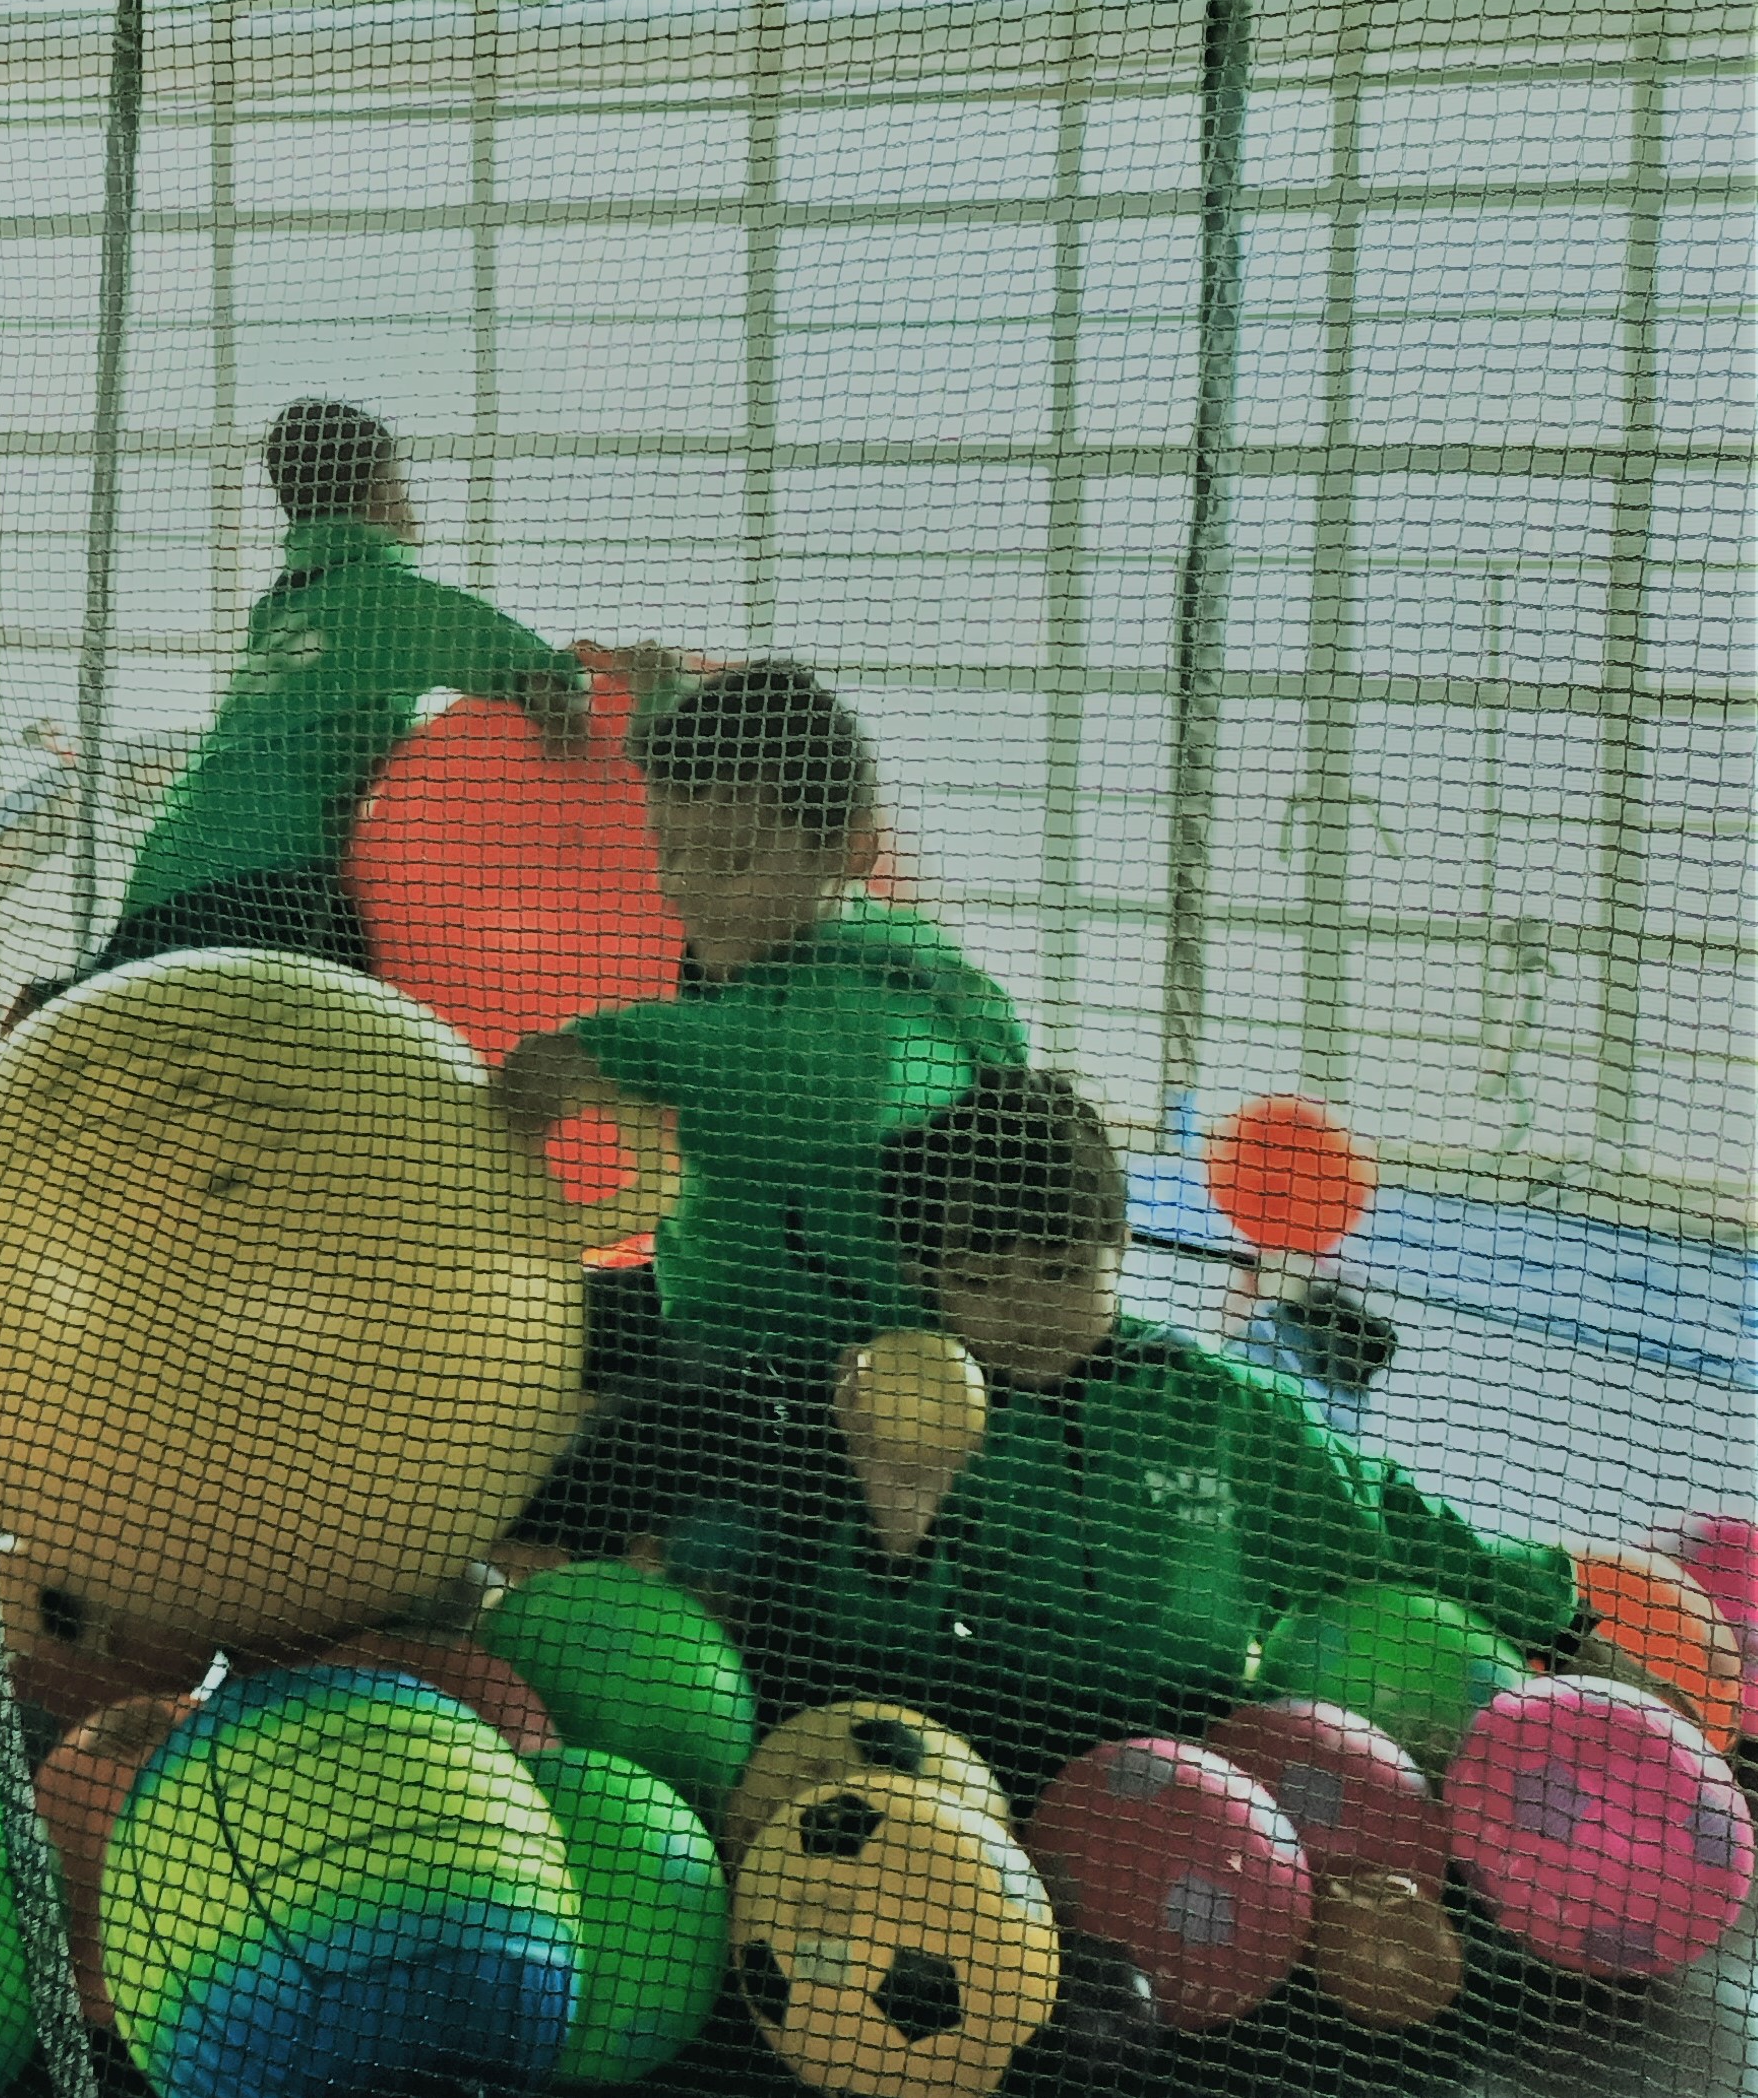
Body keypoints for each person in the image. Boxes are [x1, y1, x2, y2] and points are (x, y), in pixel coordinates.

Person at [784, 1073, 1582, 1792]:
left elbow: (1387, 1519)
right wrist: (900, 1512)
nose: (1026, 1314)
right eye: (981, 1281)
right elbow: (857, 1668)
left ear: (1120, 1247)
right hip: (995, 1781)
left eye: (1062, 1272)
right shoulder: (914, 1412)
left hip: (1209, 1789)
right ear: (927, 1278)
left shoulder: (1219, 1408)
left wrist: (1567, 1625)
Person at [497, 662, 1025, 1569]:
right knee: (528, 1319)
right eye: (670, 849)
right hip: (717, 1312)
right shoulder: (764, 966)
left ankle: (502, 1561)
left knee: (669, 1420)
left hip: (839, 1382)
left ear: (849, 853)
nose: (690, 887)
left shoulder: (892, 998)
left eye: (734, 858)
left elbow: (817, 1082)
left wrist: (608, 1049)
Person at [92, 399, 593, 972]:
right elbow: (555, 685)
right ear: (380, 490)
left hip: (167, 869)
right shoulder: (391, 598)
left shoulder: (282, 606)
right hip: (267, 882)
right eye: (400, 479)